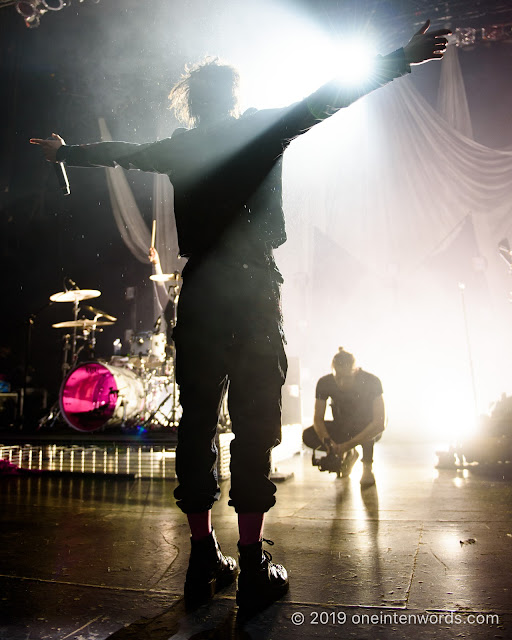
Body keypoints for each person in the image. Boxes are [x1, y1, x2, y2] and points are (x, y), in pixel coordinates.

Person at [30, 20, 449, 615]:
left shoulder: (179, 145)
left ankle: (202, 557)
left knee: (198, 422)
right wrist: (399, 57)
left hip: (199, 289)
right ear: (232, 96)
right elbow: (327, 97)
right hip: (250, 288)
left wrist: (62, 151)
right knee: (254, 421)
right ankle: (251, 563)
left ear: (191, 103)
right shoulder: (260, 126)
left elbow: (119, 154)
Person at [303, 348, 385, 487]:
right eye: (337, 377)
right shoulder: (325, 382)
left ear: (355, 371)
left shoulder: (371, 381)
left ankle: (367, 467)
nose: (341, 382)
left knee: (367, 427)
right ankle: (349, 456)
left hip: (368, 427)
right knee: (308, 435)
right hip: (343, 426)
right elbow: (318, 419)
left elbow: (379, 423)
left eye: (346, 378)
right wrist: (328, 443)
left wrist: (346, 446)